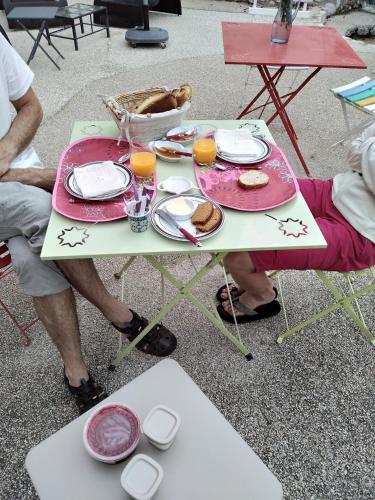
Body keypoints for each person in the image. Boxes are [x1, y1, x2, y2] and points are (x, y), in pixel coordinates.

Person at [0, 33, 177, 414]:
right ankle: (119, 314)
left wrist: (8, 151)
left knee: (33, 258)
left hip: (13, 171)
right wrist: (33, 177)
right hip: (18, 189)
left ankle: (75, 371)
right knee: (49, 213)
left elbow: (29, 105)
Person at [216, 122, 375, 324]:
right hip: (334, 191)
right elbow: (353, 154)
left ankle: (262, 294)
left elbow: (361, 151)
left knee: (237, 259)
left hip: (360, 232)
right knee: (245, 196)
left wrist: (367, 149)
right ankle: (252, 281)